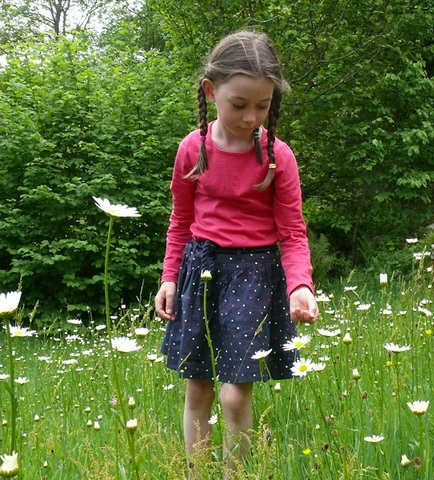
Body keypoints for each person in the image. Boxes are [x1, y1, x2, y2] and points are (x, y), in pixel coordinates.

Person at [154, 30, 319, 477]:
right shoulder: (193, 149)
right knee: (198, 391)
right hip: (201, 270)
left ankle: (236, 474)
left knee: (234, 394)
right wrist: (169, 277)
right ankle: (195, 471)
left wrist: (300, 285)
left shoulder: (277, 157)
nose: (250, 117)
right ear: (211, 90)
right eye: (239, 104)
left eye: (262, 106)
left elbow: (293, 231)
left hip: (254, 275)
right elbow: (180, 222)